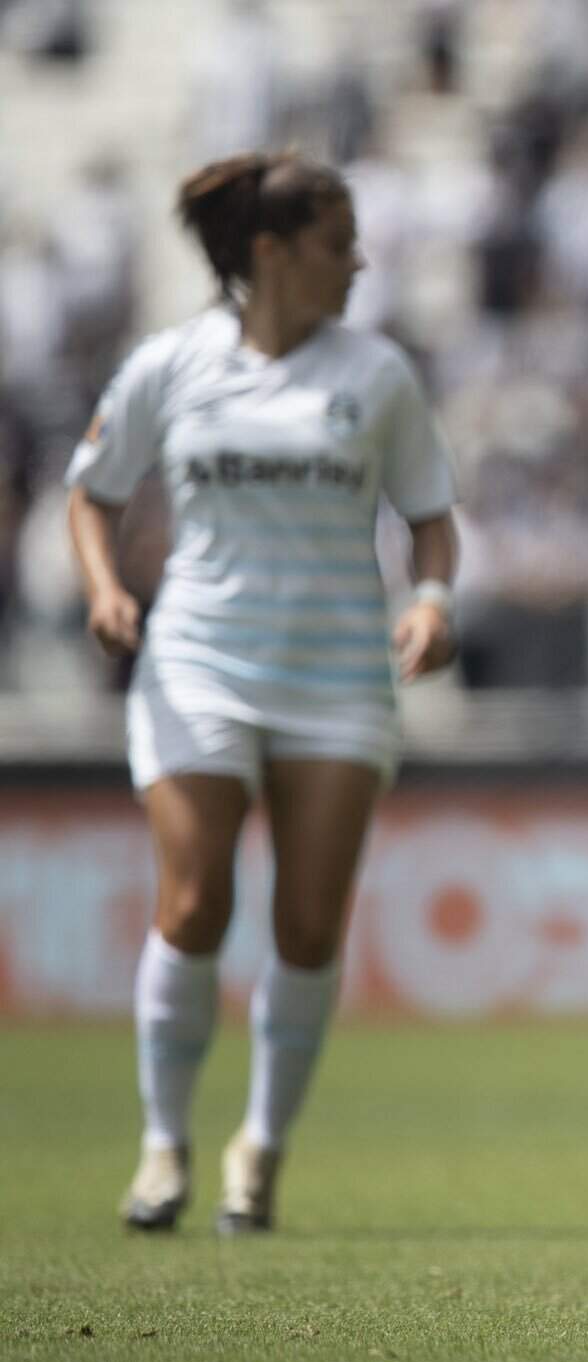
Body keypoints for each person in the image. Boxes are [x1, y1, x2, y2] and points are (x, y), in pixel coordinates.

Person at [67, 152, 459, 1235]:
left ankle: (260, 1149)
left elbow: (430, 511)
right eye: (339, 243)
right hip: (198, 658)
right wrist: (104, 588)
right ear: (274, 253)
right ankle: (161, 1144)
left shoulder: (375, 373)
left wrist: (429, 596)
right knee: (193, 904)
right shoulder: (171, 363)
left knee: (306, 923)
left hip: (338, 670)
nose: (359, 261)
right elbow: (91, 494)